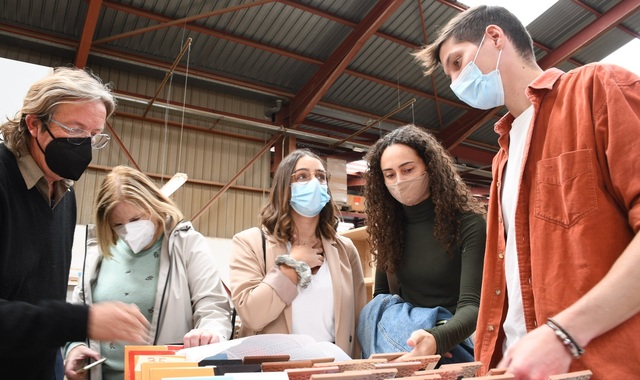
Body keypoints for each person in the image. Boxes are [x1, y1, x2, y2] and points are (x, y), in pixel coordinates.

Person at [413, 4, 640, 379]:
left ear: (495, 37)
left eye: (457, 62)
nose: (455, 82)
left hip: (599, 367)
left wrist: (564, 335)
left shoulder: (597, 89)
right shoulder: (503, 157)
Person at [0, 66, 150, 379]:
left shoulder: (64, 194)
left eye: (94, 136)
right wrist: (80, 321)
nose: (84, 144)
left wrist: (66, 346)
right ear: (34, 124)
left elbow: (43, 297)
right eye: (75, 129)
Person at [64, 165, 232, 380]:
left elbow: (213, 306)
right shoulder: (98, 252)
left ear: (154, 206)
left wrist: (210, 332)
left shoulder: (185, 244)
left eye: (136, 220)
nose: (129, 230)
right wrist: (74, 347)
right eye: (118, 224)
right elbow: (79, 313)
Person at [359, 124, 486, 363]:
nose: (399, 181)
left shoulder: (468, 224)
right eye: (389, 175)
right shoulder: (388, 228)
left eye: (407, 170)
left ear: (429, 167)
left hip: (452, 337)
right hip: (405, 338)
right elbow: (383, 298)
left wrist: (436, 337)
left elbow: (472, 305)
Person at [229, 148, 367, 358]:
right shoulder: (251, 243)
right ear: (284, 187)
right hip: (275, 370)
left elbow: (358, 324)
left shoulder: (345, 250)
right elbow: (252, 316)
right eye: (302, 176)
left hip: (332, 368)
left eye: (320, 177)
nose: (314, 183)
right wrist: (293, 264)